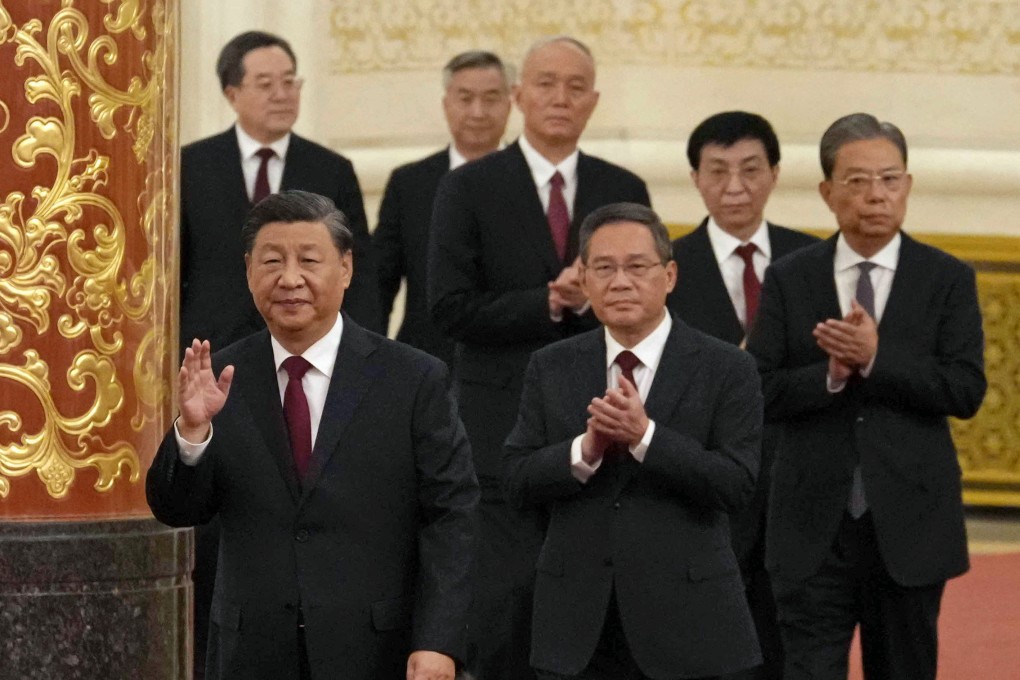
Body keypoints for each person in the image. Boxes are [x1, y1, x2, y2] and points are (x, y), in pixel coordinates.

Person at [148, 191, 478, 680]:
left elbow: (453, 516)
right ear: (248, 270)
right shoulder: (218, 378)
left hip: (376, 649)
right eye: (272, 261)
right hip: (252, 652)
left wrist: (439, 641)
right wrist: (194, 432)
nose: (290, 279)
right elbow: (179, 510)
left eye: (308, 260)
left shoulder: (412, 379)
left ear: (345, 268)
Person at [428, 36, 651, 678]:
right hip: (501, 428)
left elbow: (647, 302)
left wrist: (603, 296)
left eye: (576, 87)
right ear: (520, 95)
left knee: (591, 608)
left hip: (603, 420)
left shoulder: (622, 187)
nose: (561, 98)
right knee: (505, 605)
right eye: (547, 84)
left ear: (594, 100)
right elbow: (449, 308)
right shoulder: (468, 187)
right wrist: (547, 303)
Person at [746, 113, 986, 680]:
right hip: (811, 526)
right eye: (856, 181)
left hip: (910, 523)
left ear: (907, 186)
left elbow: (965, 389)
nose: (875, 195)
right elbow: (758, 388)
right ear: (828, 192)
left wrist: (877, 359)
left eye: (889, 179)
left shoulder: (947, 278)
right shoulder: (791, 277)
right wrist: (829, 375)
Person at [179, 32, 383, 676]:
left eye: (290, 80)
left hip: (317, 370)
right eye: (265, 82)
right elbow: (168, 277)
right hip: (219, 375)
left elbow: (364, 280)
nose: (281, 93)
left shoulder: (331, 169)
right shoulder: (188, 164)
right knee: (226, 524)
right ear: (231, 92)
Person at [503, 202, 763, 679]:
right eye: (603, 268)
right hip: (578, 627)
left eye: (637, 266)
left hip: (691, 625)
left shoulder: (727, 367)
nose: (620, 281)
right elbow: (516, 479)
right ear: (583, 279)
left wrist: (647, 438)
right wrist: (585, 451)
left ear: (669, 275)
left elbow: (737, 483)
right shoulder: (551, 365)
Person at [666, 111, 819, 680]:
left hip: (796, 484)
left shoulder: (814, 262)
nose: (735, 187)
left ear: (775, 175)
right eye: (719, 171)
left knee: (791, 646)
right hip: (703, 489)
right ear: (696, 178)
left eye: (751, 170)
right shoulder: (665, 270)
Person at [374, 50, 512, 365]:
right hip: (424, 363)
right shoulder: (409, 183)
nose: (478, 112)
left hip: (511, 363)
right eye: (465, 98)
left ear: (510, 102)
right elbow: (379, 283)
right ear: (446, 104)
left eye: (491, 98)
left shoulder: (535, 179)